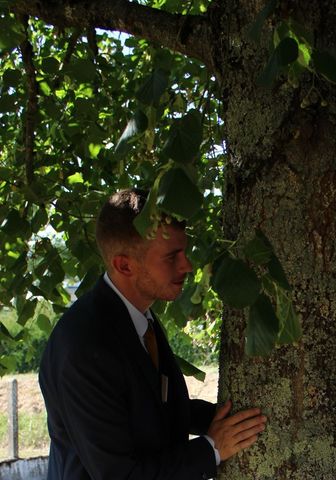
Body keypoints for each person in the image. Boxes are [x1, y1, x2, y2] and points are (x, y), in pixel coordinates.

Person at [39, 188, 267, 479]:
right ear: (125, 265)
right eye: (172, 257)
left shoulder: (137, 316)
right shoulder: (83, 346)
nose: (187, 266)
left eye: (184, 252)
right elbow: (119, 475)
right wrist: (212, 449)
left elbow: (156, 406)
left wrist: (227, 419)